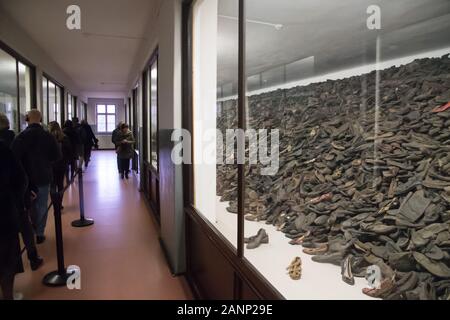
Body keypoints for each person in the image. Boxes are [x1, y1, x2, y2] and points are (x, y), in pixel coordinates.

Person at [12, 109, 61, 244]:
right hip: (43, 175)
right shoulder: (48, 136)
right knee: (41, 205)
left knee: (27, 206)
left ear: (27, 119)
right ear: (40, 119)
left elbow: (14, 158)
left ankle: (29, 231)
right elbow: (56, 156)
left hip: (25, 179)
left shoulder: (21, 137)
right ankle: (39, 233)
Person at [0, 142, 27, 300]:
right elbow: (20, 178)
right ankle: (7, 295)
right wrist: (17, 202)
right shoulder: (3, 149)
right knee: (6, 257)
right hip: (4, 212)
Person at [48, 122, 73, 203]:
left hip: (51, 165)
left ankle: (54, 202)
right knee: (60, 184)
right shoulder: (64, 138)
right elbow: (69, 151)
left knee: (52, 185)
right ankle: (59, 202)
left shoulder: (48, 138)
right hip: (62, 164)